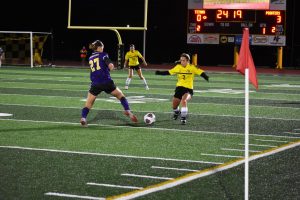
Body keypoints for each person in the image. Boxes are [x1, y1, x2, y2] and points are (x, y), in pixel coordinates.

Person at [80, 40, 138, 127]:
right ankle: (128, 111)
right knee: (121, 96)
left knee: (88, 104)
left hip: (95, 83)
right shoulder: (103, 54)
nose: (103, 48)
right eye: (102, 47)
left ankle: (83, 118)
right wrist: (111, 67)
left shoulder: (90, 57)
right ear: (99, 47)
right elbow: (110, 65)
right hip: (107, 82)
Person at [155, 53, 209, 125]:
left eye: (183, 60)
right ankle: (177, 112)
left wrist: (205, 77)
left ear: (188, 61)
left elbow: (201, 72)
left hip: (188, 89)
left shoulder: (192, 67)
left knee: (184, 101)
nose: (182, 62)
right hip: (179, 88)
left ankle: (183, 118)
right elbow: (169, 72)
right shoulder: (178, 67)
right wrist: (159, 73)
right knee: (174, 106)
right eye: (181, 60)